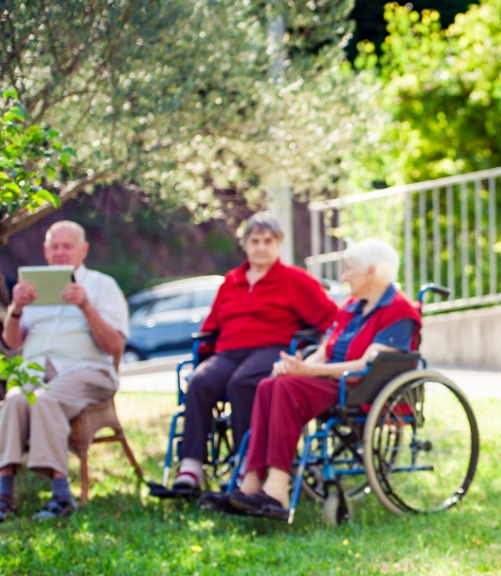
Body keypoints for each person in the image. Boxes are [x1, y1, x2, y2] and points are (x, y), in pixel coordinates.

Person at [199, 238, 421, 520]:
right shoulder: (352, 307)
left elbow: (369, 365)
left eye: (349, 268)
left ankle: (277, 489)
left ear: (372, 271)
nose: (343, 276)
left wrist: (308, 373)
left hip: (359, 387)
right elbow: (325, 349)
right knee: (269, 384)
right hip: (330, 381)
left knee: (285, 389)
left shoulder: (399, 312)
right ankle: (250, 484)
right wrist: (297, 365)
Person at [151, 211, 338, 497]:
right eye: (255, 241)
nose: (261, 247)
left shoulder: (295, 280)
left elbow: (331, 319)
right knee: (200, 380)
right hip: (228, 350)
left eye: (268, 241)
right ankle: (191, 466)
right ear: (245, 244)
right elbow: (211, 326)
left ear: (278, 244)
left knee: (243, 383)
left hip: (271, 347)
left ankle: (246, 466)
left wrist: (320, 351)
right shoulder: (232, 281)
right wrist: (204, 357)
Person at [0, 221, 129, 521]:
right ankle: (4, 493)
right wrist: (16, 308)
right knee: (16, 400)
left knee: (43, 400)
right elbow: (11, 341)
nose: (60, 252)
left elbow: (113, 345)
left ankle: (61, 496)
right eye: (54, 246)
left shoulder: (101, 286)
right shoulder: (33, 288)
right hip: (35, 374)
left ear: (83, 250)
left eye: (67, 246)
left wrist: (85, 305)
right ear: (45, 250)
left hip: (88, 371)